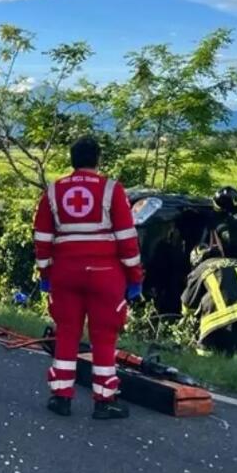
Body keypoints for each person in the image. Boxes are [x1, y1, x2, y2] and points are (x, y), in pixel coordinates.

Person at [33, 136, 142, 420]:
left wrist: (46, 274)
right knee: (104, 337)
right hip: (106, 275)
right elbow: (127, 240)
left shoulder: (53, 191)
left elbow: (42, 239)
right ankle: (105, 402)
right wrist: (134, 277)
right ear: (98, 160)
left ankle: (61, 397)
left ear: (72, 160)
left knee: (67, 332)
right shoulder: (111, 190)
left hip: (65, 274)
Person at [182, 245, 237, 357]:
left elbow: (187, 303)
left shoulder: (201, 269)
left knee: (205, 354)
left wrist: (188, 318)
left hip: (216, 323)